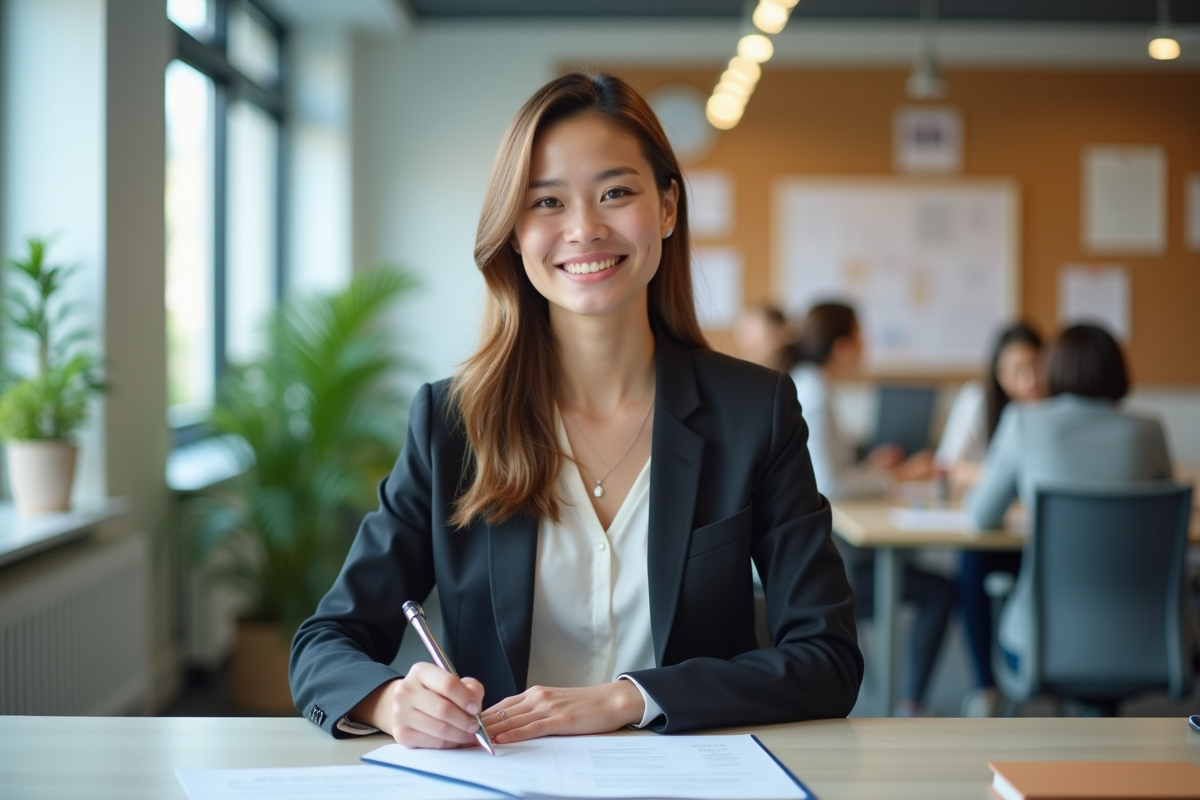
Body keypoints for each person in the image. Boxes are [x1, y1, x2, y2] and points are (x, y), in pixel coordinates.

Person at [290, 72, 863, 748]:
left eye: (616, 193)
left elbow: (828, 657)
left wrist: (632, 698)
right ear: (513, 230)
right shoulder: (453, 425)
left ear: (669, 207)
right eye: (547, 202)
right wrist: (390, 701)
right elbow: (324, 643)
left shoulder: (754, 411)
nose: (586, 228)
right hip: (503, 782)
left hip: (693, 783)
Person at [967, 323, 1176, 691]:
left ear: (1052, 368)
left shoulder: (1022, 422)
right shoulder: (1150, 429)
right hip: (1148, 639)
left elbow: (981, 517)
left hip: (1040, 641)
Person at [791, 302, 951, 716]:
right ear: (843, 346)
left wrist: (872, 468)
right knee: (940, 591)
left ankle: (907, 700)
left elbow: (831, 471)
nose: (866, 348)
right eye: (862, 338)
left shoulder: (815, 385)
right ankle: (910, 702)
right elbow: (828, 484)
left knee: (931, 583)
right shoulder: (814, 393)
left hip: (822, 554)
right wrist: (895, 479)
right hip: (827, 570)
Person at [936, 322, 1043, 717]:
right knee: (972, 562)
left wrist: (1005, 477)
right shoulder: (980, 399)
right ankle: (987, 685)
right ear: (997, 372)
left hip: (1041, 540)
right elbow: (949, 464)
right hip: (1000, 535)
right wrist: (1004, 476)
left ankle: (1037, 671)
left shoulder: (1055, 406)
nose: (1028, 380)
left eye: (1036, 366)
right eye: (1015, 369)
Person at [733, 303, 795, 372]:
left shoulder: (802, 378)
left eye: (755, 348)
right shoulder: (741, 374)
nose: (745, 356)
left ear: (781, 334)